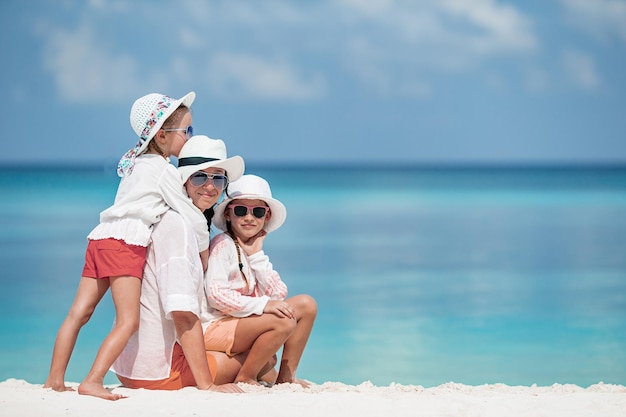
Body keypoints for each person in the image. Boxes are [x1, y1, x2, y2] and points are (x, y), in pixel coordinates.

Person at [44, 92, 211, 400]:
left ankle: (54, 379)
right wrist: (203, 252)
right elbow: (190, 215)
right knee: (128, 321)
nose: (191, 137)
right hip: (126, 243)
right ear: (162, 135)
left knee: (78, 313)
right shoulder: (164, 170)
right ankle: (93, 380)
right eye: (186, 131)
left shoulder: (135, 165)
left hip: (100, 237)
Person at [111, 135, 247, 392]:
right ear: (183, 181)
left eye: (218, 178)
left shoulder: (175, 220)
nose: (210, 186)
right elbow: (183, 314)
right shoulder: (179, 227)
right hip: (159, 372)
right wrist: (207, 385)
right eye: (200, 177)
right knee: (255, 359)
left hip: (130, 367)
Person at [204, 174, 317, 387]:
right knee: (283, 320)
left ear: (266, 217)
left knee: (306, 305)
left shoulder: (251, 250)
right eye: (240, 210)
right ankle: (245, 377)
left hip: (240, 323)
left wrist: (256, 255)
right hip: (214, 325)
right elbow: (216, 295)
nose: (249, 217)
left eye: (257, 212)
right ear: (228, 214)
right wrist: (263, 305)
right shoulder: (222, 245)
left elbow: (278, 295)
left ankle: (285, 377)